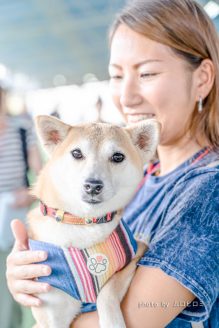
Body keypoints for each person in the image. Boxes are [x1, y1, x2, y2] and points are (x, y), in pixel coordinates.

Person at [6, 0, 219, 327]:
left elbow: (138, 317)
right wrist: (34, 278)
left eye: (147, 73)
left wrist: (49, 318)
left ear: (202, 78)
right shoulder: (138, 177)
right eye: (116, 76)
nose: (126, 95)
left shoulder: (209, 193)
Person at [0, 88, 42, 328]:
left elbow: (41, 180)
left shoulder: (21, 130)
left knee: (8, 291)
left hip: (12, 220)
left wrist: (27, 195)